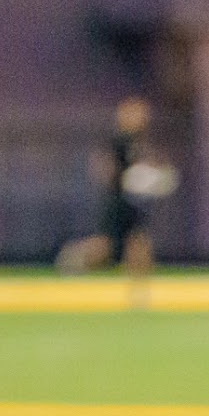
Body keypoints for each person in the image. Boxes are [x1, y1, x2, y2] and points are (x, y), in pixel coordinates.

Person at [55, 97, 177, 306]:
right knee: (106, 248)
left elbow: (150, 168)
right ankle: (74, 256)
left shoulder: (140, 142)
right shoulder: (118, 141)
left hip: (134, 203)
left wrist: (153, 178)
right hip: (118, 202)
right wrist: (126, 180)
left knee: (139, 244)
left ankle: (139, 294)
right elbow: (104, 167)